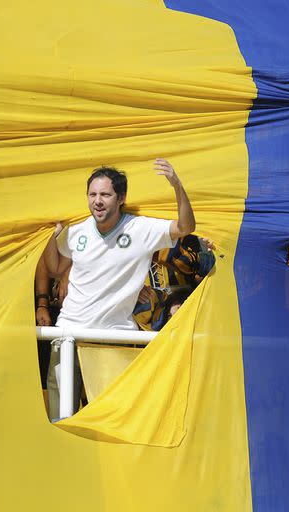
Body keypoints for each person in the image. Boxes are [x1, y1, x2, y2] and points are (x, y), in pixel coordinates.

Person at [40, 158, 195, 420]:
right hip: (67, 335)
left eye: (105, 194)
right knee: (59, 421)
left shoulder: (140, 228)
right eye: (92, 194)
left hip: (111, 341)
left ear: (121, 197)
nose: (97, 201)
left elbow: (185, 227)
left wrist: (177, 185)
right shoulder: (76, 230)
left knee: (108, 422)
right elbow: (55, 268)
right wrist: (47, 236)